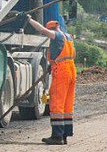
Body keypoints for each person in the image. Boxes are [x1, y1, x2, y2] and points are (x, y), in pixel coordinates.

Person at [21, 15, 76, 145]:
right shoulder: (68, 37)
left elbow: (43, 30)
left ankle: (57, 136)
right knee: (67, 104)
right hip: (71, 70)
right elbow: (73, 54)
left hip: (62, 71)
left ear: (52, 28)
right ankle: (64, 135)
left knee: (56, 103)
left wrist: (29, 20)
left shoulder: (56, 35)